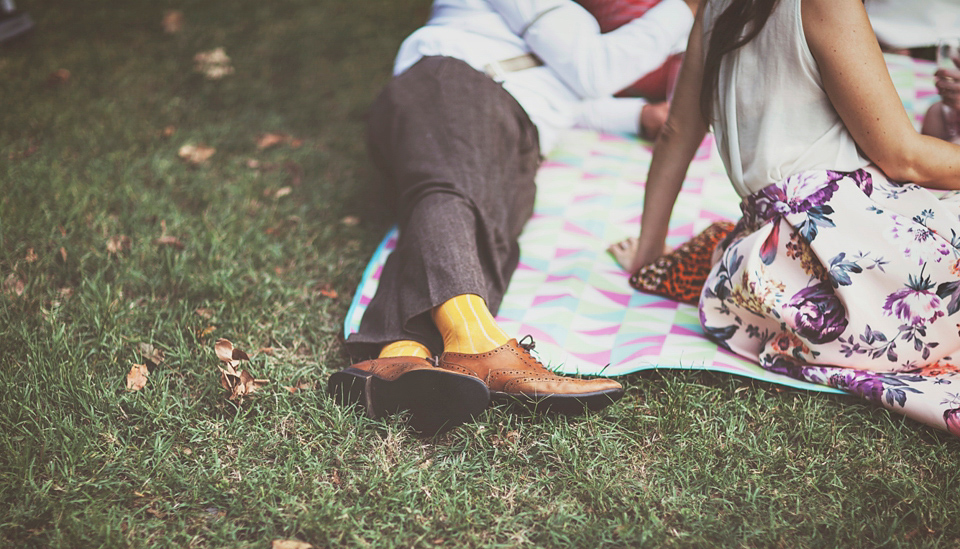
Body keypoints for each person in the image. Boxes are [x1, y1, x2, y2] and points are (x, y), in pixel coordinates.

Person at [329, 0, 700, 435]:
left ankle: (396, 357)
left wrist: (636, 115)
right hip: (456, 83)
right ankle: (477, 345)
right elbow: (594, 70)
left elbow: (565, 91)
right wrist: (688, 9)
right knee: (451, 193)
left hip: (517, 126)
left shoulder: (570, 22)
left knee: (489, 237)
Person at [613, 0, 960, 434]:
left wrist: (648, 257)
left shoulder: (715, 7)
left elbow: (676, 133)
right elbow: (905, 159)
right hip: (851, 266)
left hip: (763, 283)